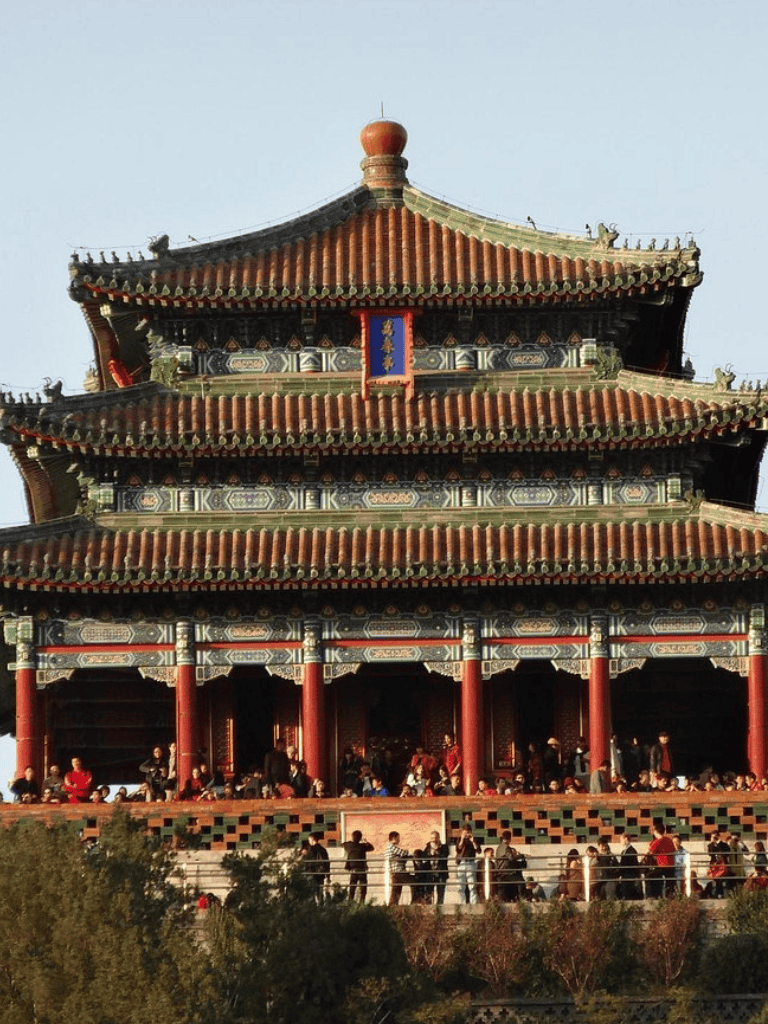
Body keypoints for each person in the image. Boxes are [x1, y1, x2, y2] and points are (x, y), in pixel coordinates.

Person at [342, 830, 374, 902]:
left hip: (353, 870)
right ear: (360, 838)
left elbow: (344, 844)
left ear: (352, 837)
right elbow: (372, 848)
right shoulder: (362, 846)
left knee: (352, 887)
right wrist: (365, 841)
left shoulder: (349, 845)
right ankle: (362, 902)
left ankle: (350, 902)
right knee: (363, 888)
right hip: (362, 870)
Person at [455, 824, 481, 904]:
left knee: (472, 885)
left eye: (468, 832)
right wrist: (462, 839)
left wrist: (473, 841)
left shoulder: (473, 839)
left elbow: (479, 851)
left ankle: (474, 903)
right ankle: (462, 903)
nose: (466, 834)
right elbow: (458, 850)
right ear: (462, 832)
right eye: (465, 832)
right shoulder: (460, 839)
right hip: (462, 863)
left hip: (471, 863)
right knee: (461, 886)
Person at [648, 821, 675, 897]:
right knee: (670, 882)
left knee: (651, 877)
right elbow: (673, 849)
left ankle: (654, 895)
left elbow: (650, 850)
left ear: (656, 831)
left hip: (662, 865)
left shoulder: (658, 841)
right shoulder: (669, 840)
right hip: (671, 865)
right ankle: (669, 895)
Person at [424, 830, 450, 905]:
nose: (434, 840)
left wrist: (437, 851)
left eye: (435, 838)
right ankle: (429, 908)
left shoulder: (444, 847)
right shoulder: (427, 847)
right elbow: (424, 857)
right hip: (430, 873)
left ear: (439, 838)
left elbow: (445, 855)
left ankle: (439, 908)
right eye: (432, 838)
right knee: (429, 892)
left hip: (441, 873)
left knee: (441, 892)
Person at [385, 831, 410, 906]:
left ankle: (393, 906)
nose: (399, 840)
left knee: (397, 890)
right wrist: (406, 851)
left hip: (396, 871)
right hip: (397, 871)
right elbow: (403, 853)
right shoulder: (391, 846)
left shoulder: (390, 846)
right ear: (394, 838)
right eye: (398, 838)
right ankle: (392, 906)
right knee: (396, 891)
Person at [303, 832, 330, 900]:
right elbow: (327, 863)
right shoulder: (323, 850)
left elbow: (307, 861)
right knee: (320, 891)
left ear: (312, 839)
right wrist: (328, 875)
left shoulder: (310, 850)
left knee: (311, 891)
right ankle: (320, 905)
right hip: (321, 873)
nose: (309, 842)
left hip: (312, 872)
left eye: (309, 840)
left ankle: (313, 906)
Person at [618, 832, 642, 900]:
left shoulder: (631, 851)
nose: (620, 842)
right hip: (626, 875)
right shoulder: (626, 850)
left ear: (625, 839)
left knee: (629, 894)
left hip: (629, 875)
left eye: (621, 840)